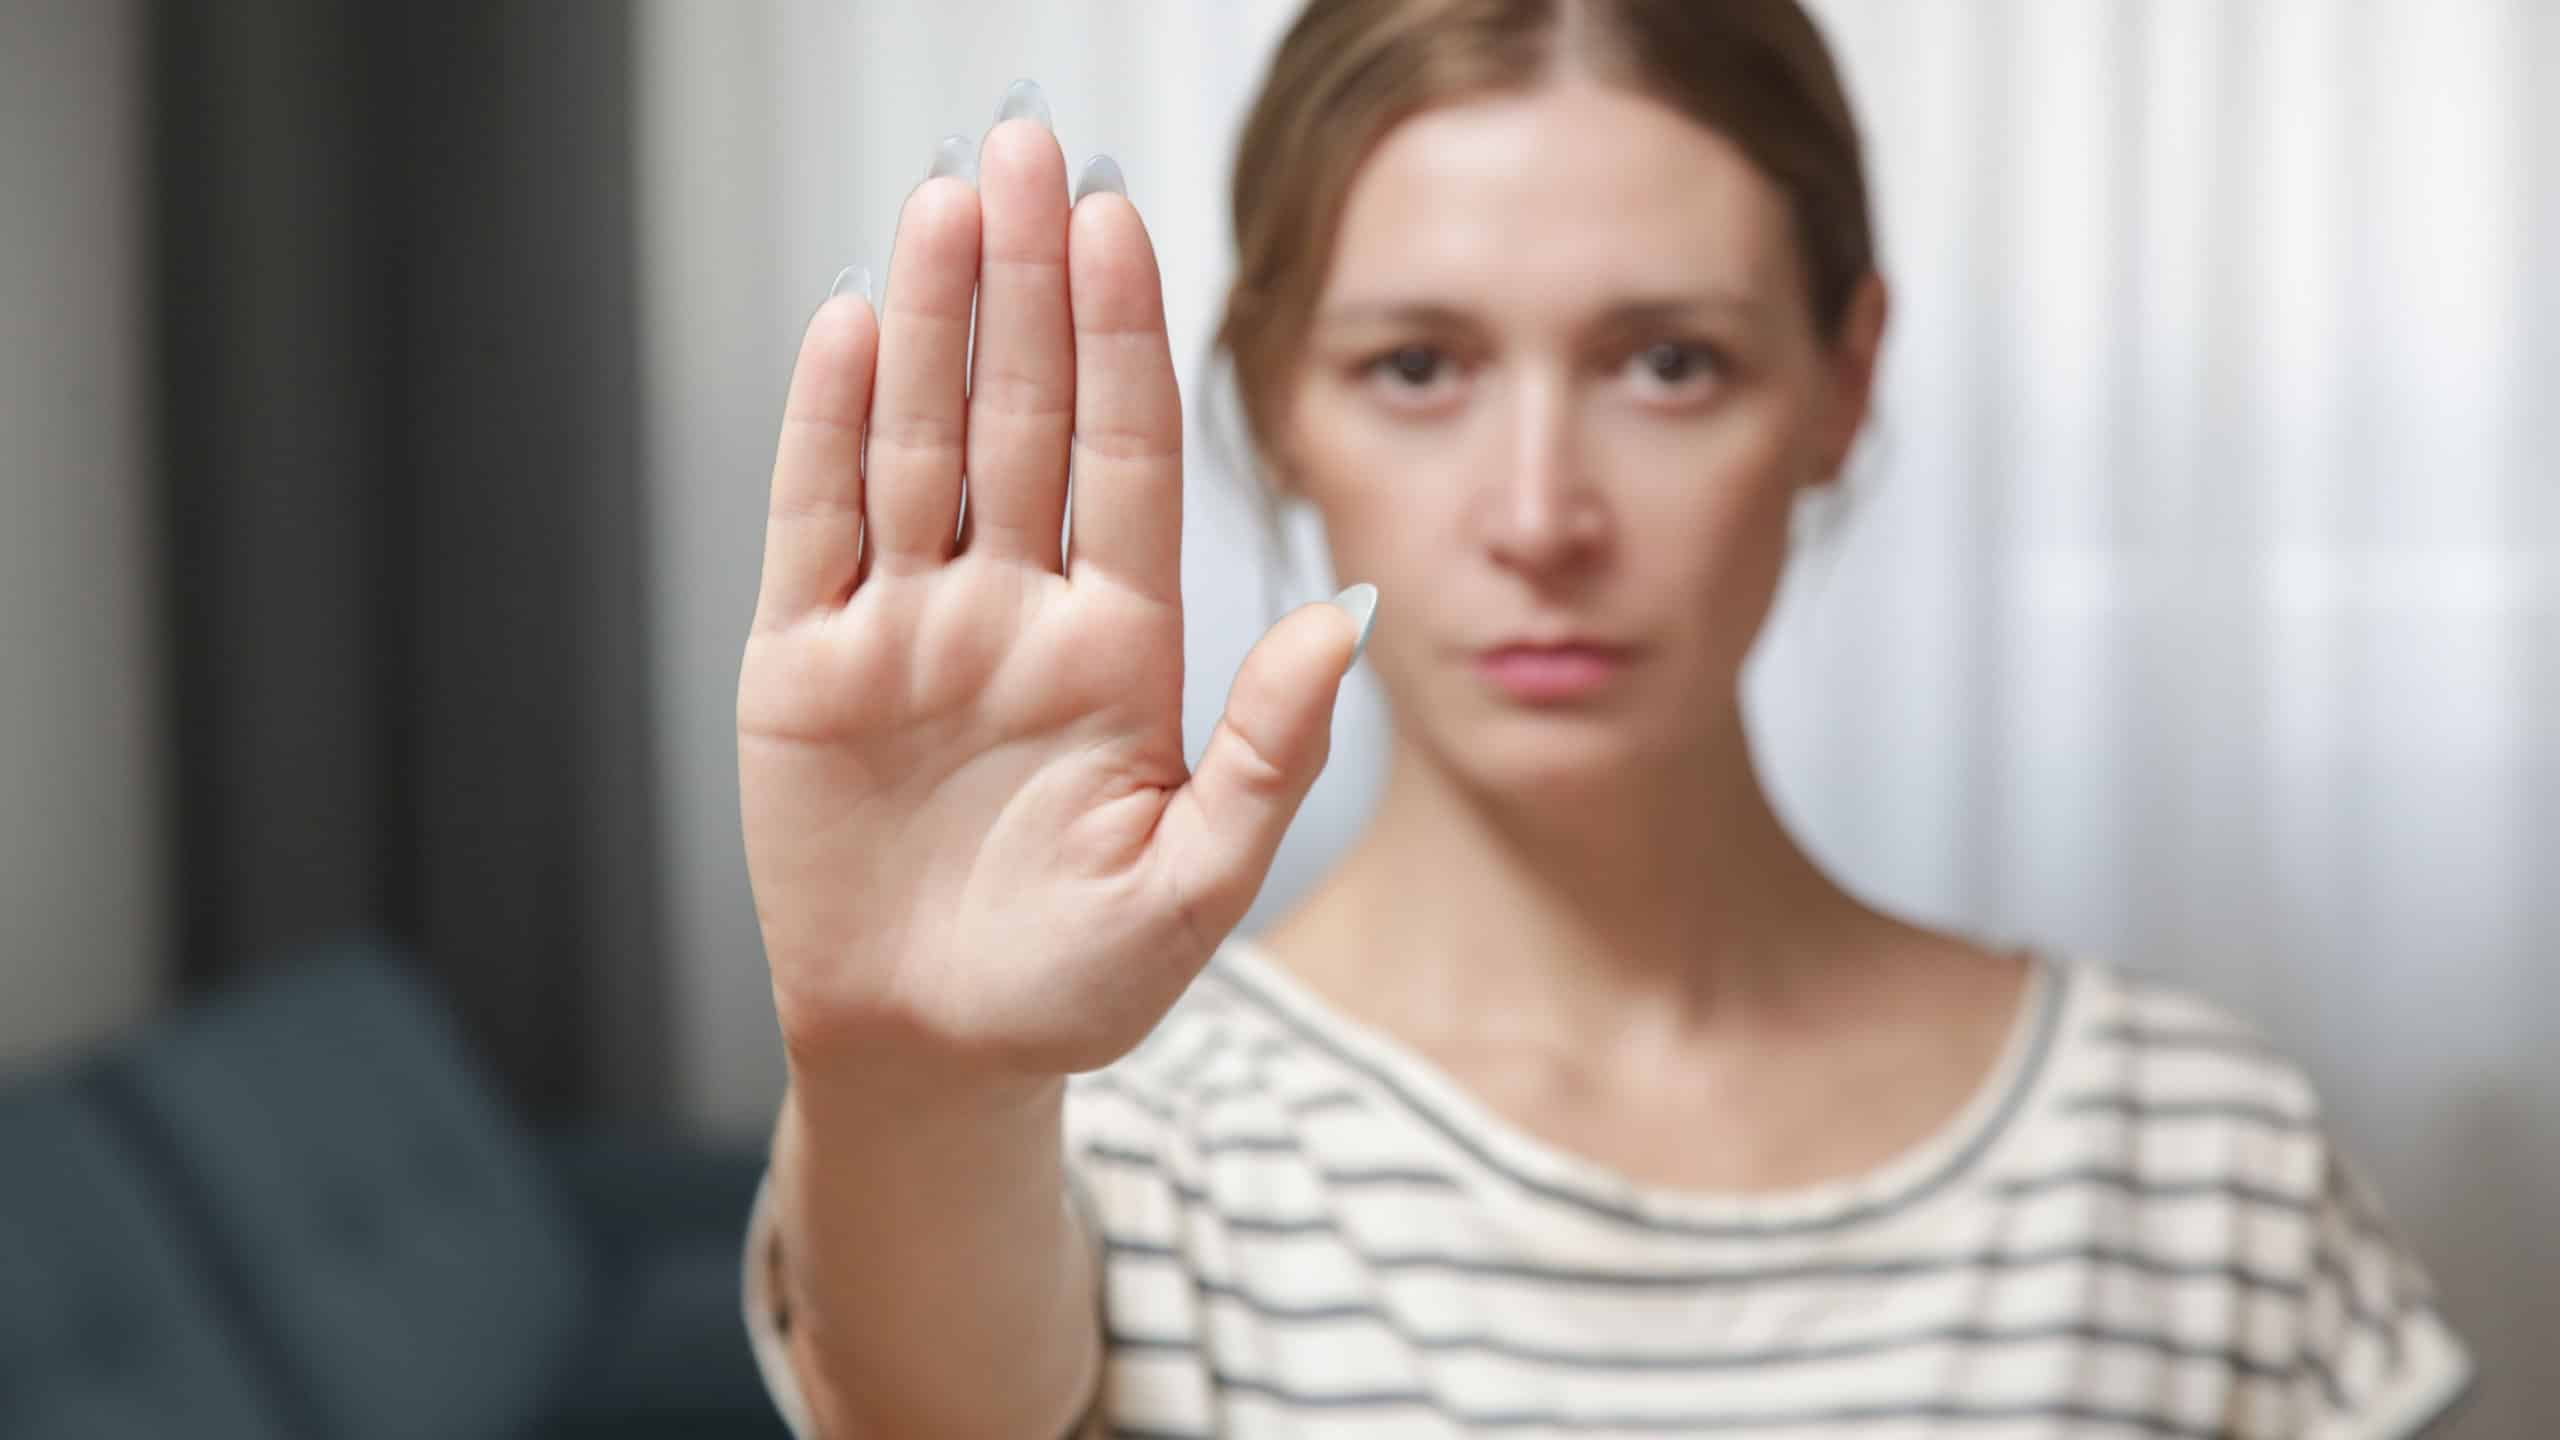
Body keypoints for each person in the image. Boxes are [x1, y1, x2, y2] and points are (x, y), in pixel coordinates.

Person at [735, 2, 2473, 1435]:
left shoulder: (2200, 1161)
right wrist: (903, 1076)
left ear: (1840, 383)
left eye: (1670, 363)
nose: (1543, 513)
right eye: (1416, 367)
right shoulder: (1097, 1142)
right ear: (1270, 405)